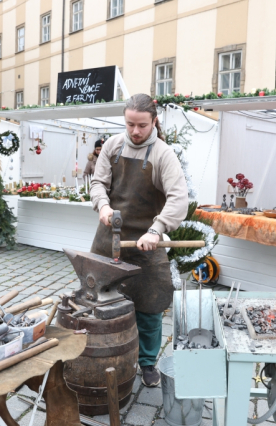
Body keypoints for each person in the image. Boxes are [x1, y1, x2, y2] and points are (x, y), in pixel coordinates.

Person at [89, 93, 189, 387]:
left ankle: (146, 363)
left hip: (148, 243)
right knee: (97, 301)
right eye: (130, 124)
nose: (135, 131)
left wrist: (157, 230)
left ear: (154, 122)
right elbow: (98, 183)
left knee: (150, 307)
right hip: (110, 238)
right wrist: (103, 206)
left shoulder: (162, 154)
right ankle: (100, 354)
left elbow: (178, 198)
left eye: (142, 125)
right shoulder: (113, 145)